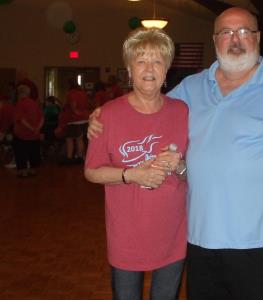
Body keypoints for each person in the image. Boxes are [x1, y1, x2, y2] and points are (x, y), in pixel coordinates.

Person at [88, 7, 263, 299]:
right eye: (226, 32)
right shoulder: (191, 88)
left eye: (244, 32)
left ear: (258, 38)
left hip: (256, 239)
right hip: (198, 237)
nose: (235, 39)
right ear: (215, 41)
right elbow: (147, 106)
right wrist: (101, 116)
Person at [84, 28, 189, 300]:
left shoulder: (182, 112)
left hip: (172, 232)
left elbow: (194, 172)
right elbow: (91, 171)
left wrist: (179, 166)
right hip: (126, 234)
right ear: (129, 70)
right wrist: (133, 175)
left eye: (157, 61)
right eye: (141, 61)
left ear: (167, 69)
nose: (149, 68)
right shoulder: (107, 115)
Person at [13, 85, 43, 177]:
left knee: (20, 151)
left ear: (20, 93)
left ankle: (23, 171)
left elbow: (21, 119)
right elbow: (42, 118)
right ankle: (33, 170)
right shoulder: (34, 103)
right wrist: (37, 128)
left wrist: (31, 128)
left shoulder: (20, 104)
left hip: (22, 133)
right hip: (34, 135)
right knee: (33, 151)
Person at [59, 79, 90, 164]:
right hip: (84, 118)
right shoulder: (82, 93)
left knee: (69, 139)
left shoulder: (72, 93)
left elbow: (73, 105)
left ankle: (69, 158)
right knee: (80, 139)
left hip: (74, 120)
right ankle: (80, 157)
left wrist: (76, 112)